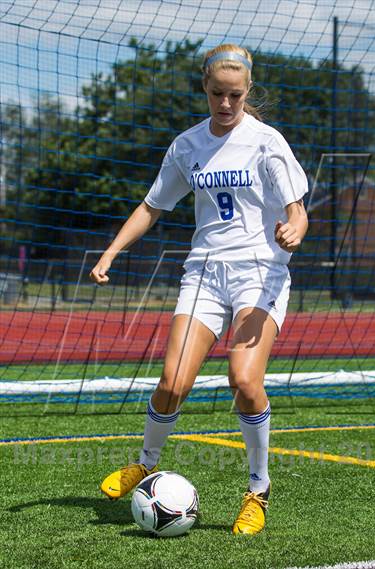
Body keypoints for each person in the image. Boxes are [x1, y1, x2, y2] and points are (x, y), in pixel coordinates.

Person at [90, 43, 308, 535]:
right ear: (204, 90)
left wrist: (295, 226)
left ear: (247, 91)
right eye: (216, 94)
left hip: (260, 274)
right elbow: (151, 207)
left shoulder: (267, 142)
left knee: (244, 380)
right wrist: (110, 252)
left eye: (234, 95)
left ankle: (258, 489)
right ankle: (145, 464)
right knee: (171, 383)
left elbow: (297, 208)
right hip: (204, 275)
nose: (225, 104)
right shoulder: (187, 146)